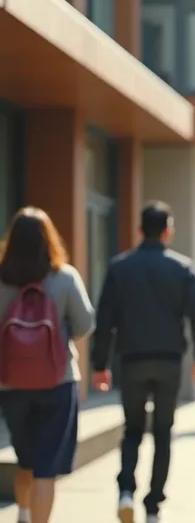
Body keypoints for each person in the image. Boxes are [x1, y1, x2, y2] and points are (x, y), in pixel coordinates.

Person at [91, 201, 195, 523]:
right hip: (169, 361)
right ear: (168, 230)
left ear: (140, 229)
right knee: (162, 432)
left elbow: (104, 320)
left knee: (132, 430)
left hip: (131, 361)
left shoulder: (119, 267)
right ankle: (154, 505)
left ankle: (126, 491)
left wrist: (99, 364)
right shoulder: (182, 268)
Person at [0, 207, 95, 523]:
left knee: (24, 459)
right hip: (58, 380)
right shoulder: (64, 276)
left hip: (11, 384)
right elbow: (84, 324)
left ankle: (23, 515)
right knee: (45, 469)